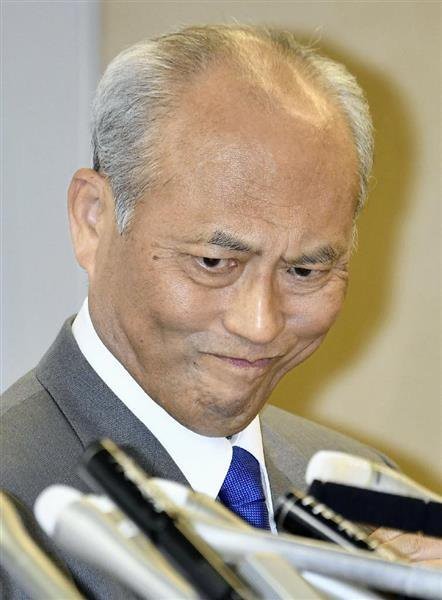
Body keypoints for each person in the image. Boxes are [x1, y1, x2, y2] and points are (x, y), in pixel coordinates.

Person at [1, 24, 440, 598]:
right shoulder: (13, 515)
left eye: (304, 271)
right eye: (213, 262)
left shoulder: (370, 497)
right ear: (93, 219)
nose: (259, 324)